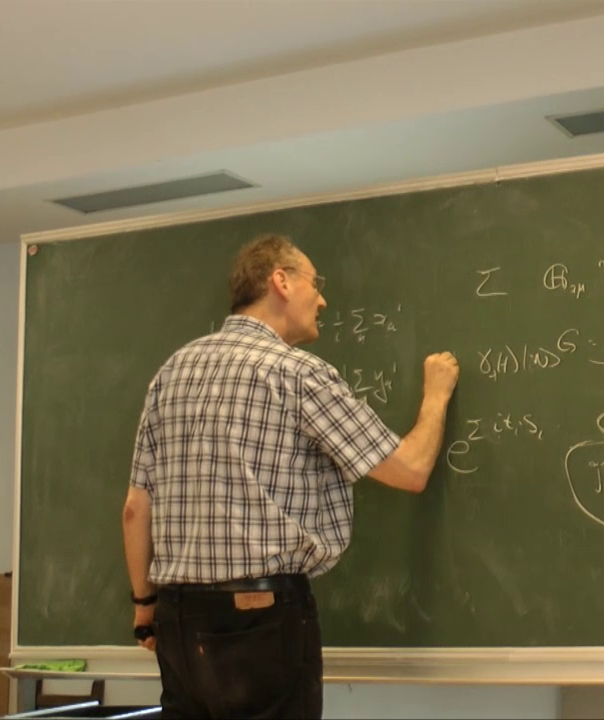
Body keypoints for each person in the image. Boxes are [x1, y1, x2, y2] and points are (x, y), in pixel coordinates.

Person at [121, 232, 459, 719]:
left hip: (176, 620)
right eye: (315, 284)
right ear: (280, 281)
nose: (322, 300)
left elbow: (136, 509)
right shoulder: (297, 374)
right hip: (260, 620)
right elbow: (410, 470)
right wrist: (436, 397)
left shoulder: (171, 373)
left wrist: (145, 607)